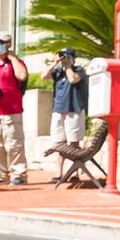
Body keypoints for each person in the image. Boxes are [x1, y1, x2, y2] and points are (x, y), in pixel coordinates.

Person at [0, 37, 31, 187]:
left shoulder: (15, 62)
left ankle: (19, 175)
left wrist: (12, 58)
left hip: (11, 111)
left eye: (2, 43)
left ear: (8, 44)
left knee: (14, 145)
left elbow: (22, 76)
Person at [45, 48, 90, 180]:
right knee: (59, 142)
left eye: (68, 56)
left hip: (74, 109)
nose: (65, 58)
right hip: (59, 109)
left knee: (73, 142)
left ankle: (75, 172)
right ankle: (59, 172)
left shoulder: (79, 70)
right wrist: (54, 62)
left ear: (73, 57)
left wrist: (68, 65)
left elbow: (73, 80)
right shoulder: (57, 72)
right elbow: (44, 76)